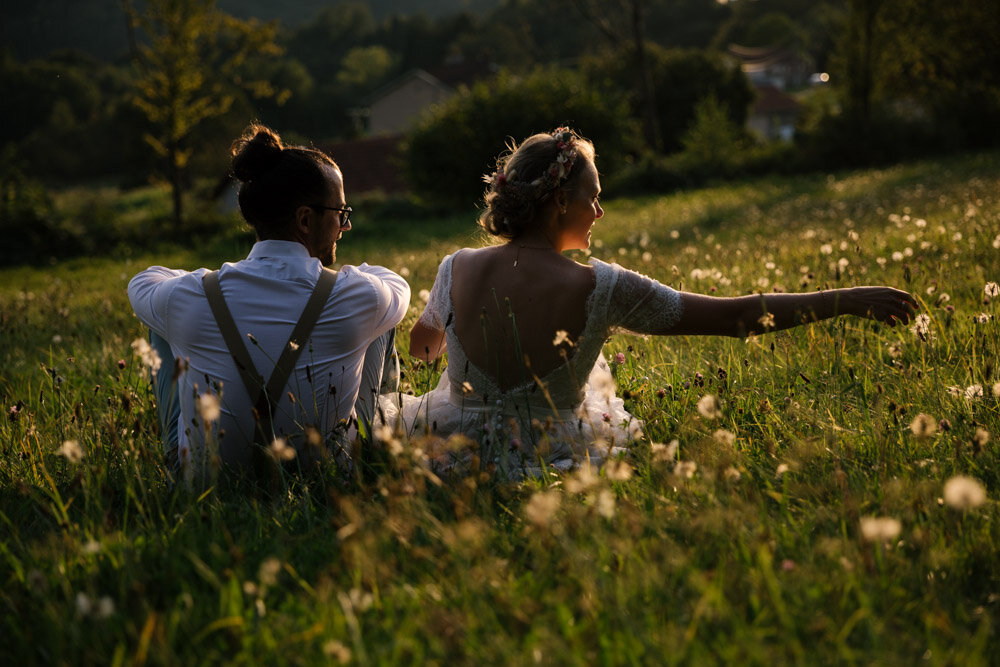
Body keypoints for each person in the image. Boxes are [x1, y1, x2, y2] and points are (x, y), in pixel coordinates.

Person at [378, 127, 917, 477]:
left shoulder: (457, 265)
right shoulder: (601, 287)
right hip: (545, 454)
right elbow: (736, 317)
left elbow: (424, 349)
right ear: (561, 202)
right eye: (594, 198)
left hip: (448, 442)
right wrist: (846, 299)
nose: (599, 212)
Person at [129, 124, 409, 479]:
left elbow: (143, 280)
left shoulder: (193, 295)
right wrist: (353, 275)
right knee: (379, 322)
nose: (344, 226)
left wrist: (205, 281)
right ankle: (371, 449)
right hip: (327, 475)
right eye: (340, 214)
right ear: (306, 220)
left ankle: (180, 457)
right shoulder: (356, 294)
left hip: (209, 479)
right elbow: (396, 283)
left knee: (162, 321)